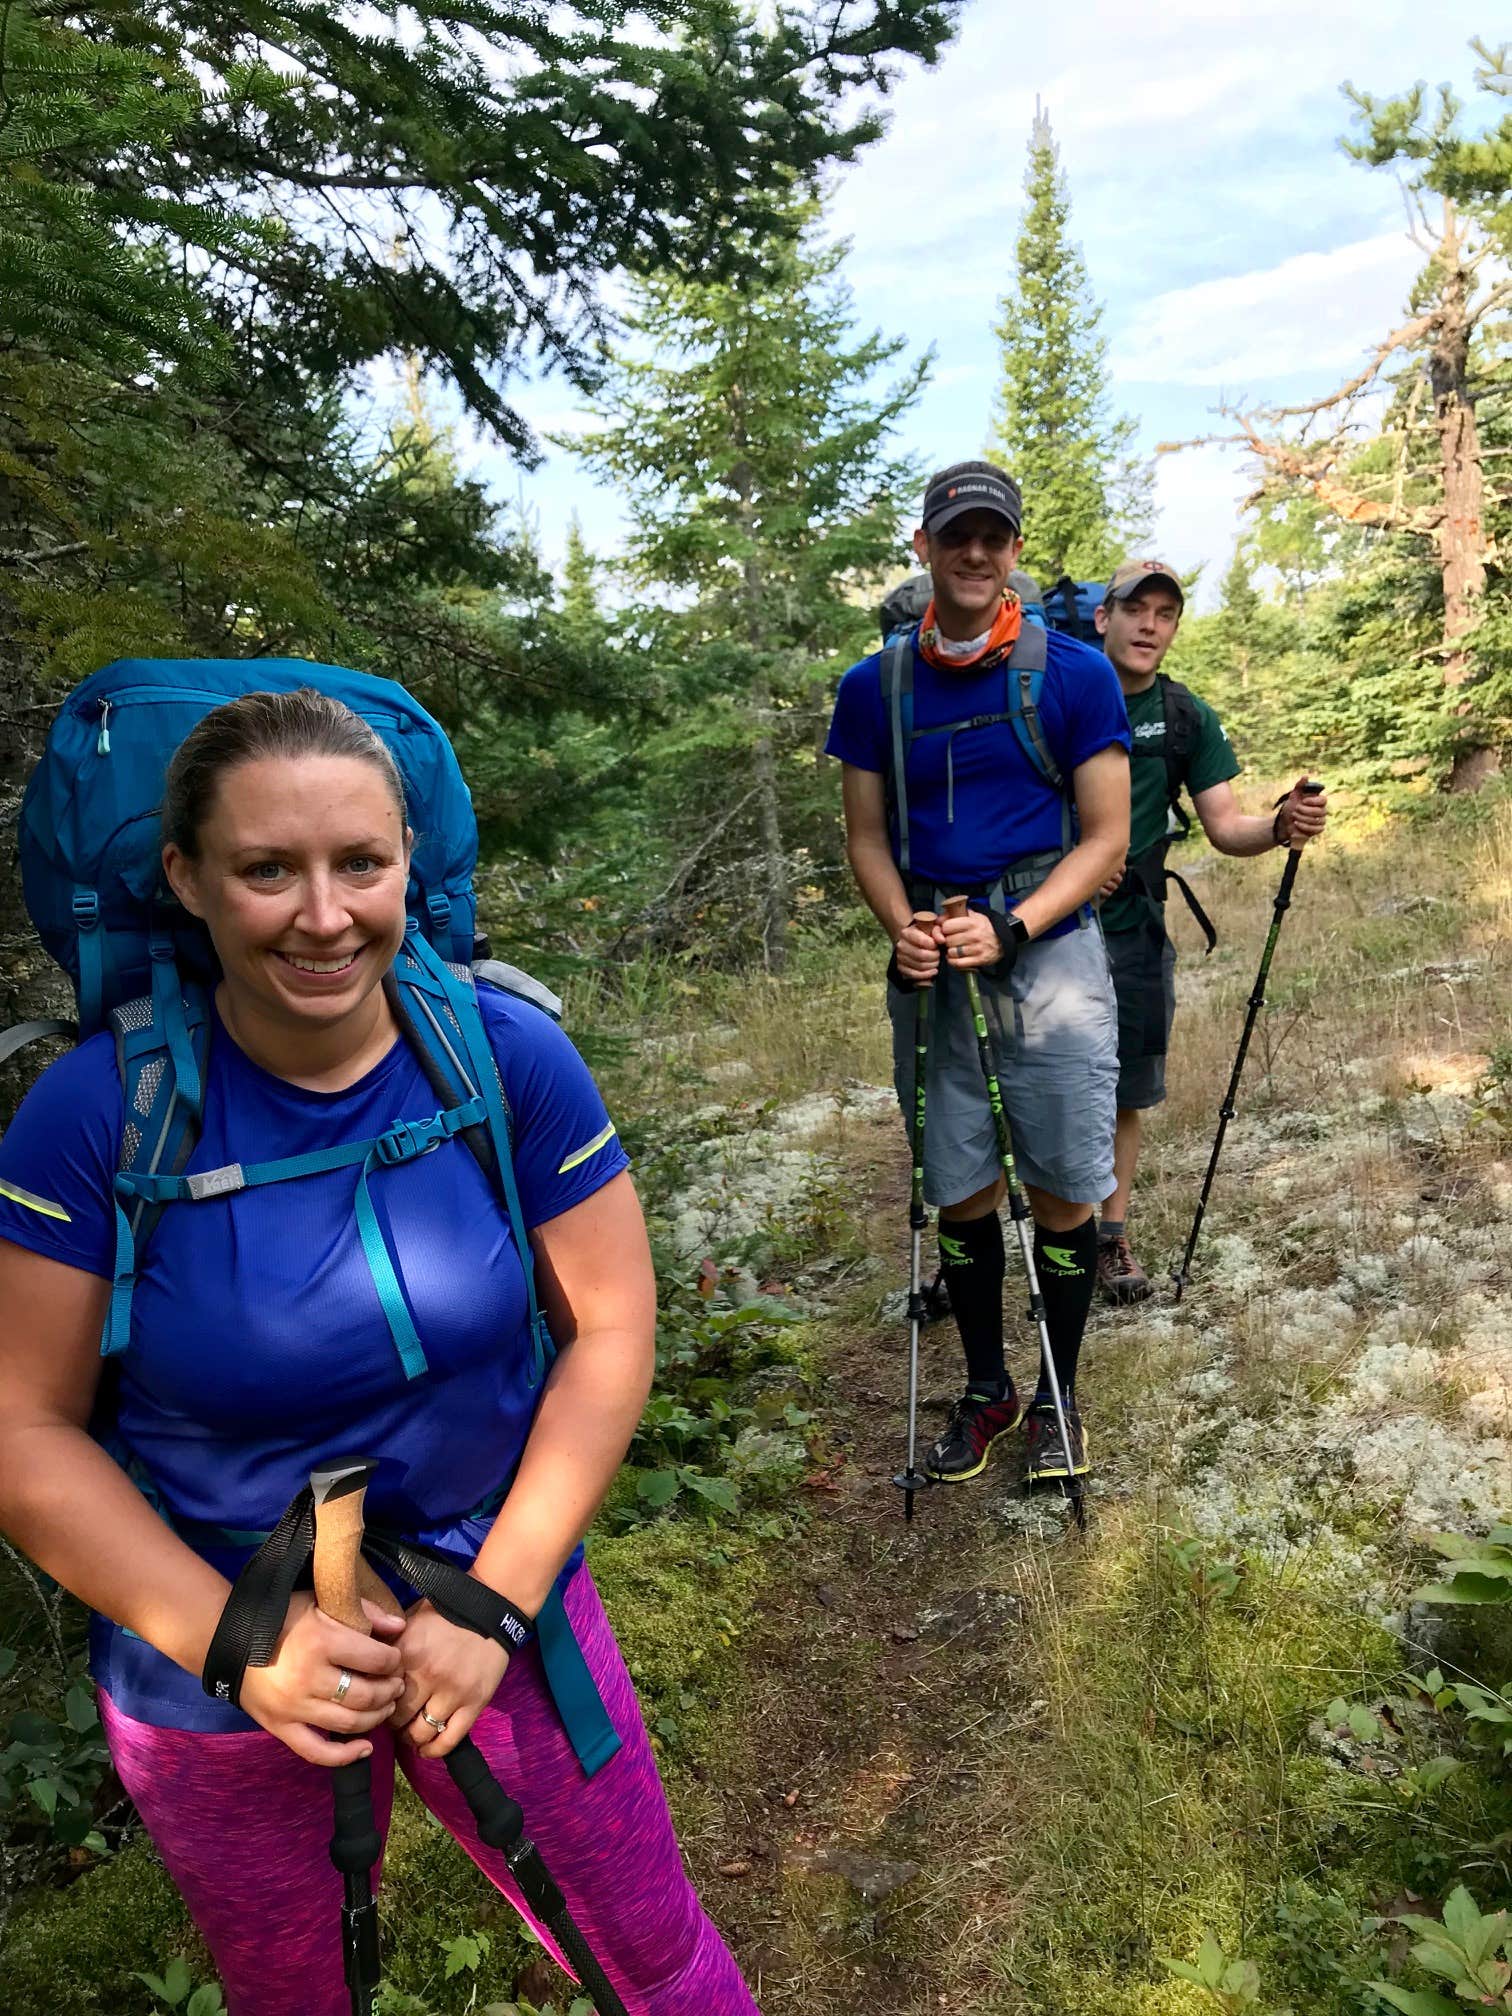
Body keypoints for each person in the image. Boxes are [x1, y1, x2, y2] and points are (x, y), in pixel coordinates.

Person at [0, 688, 760, 2016]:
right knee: (294, 1995)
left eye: (362, 863)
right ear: (184, 878)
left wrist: (495, 1603)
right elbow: (23, 1428)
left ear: (411, 863)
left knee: (655, 1961)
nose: (325, 914)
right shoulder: (92, 1121)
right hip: (220, 1644)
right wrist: (243, 1644)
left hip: (495, 1595)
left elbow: (612, 1326)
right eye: (265, 870)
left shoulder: (502, 1056)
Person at [827, 461, 1131, 1488]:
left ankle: (1060, 1393)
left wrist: (1015, 924)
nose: (974, 552)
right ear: (924, 546)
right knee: (958, 1185)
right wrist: (904, 924)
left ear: (1013, 551)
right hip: (932, 952)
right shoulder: (875, 687)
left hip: (1047, 954)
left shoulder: (1076, 674)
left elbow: (1107, 837)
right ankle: (989, 1386)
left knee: (1061, 1181)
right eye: (956, 534)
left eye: (993, 536)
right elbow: (867, 838)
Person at [1093, 558, 1328, 1301]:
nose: (1149, 625)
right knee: (1029, 1082)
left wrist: (1280, 823)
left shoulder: (1186, 714)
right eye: (1136, 609)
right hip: (1045, 926)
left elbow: (1226, 826)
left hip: (1135, 924)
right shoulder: (1060, 694)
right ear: (1104, 617)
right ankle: (988, 1236)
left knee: (1126, 1089)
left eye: (1165, 614)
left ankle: (1109, 1237)